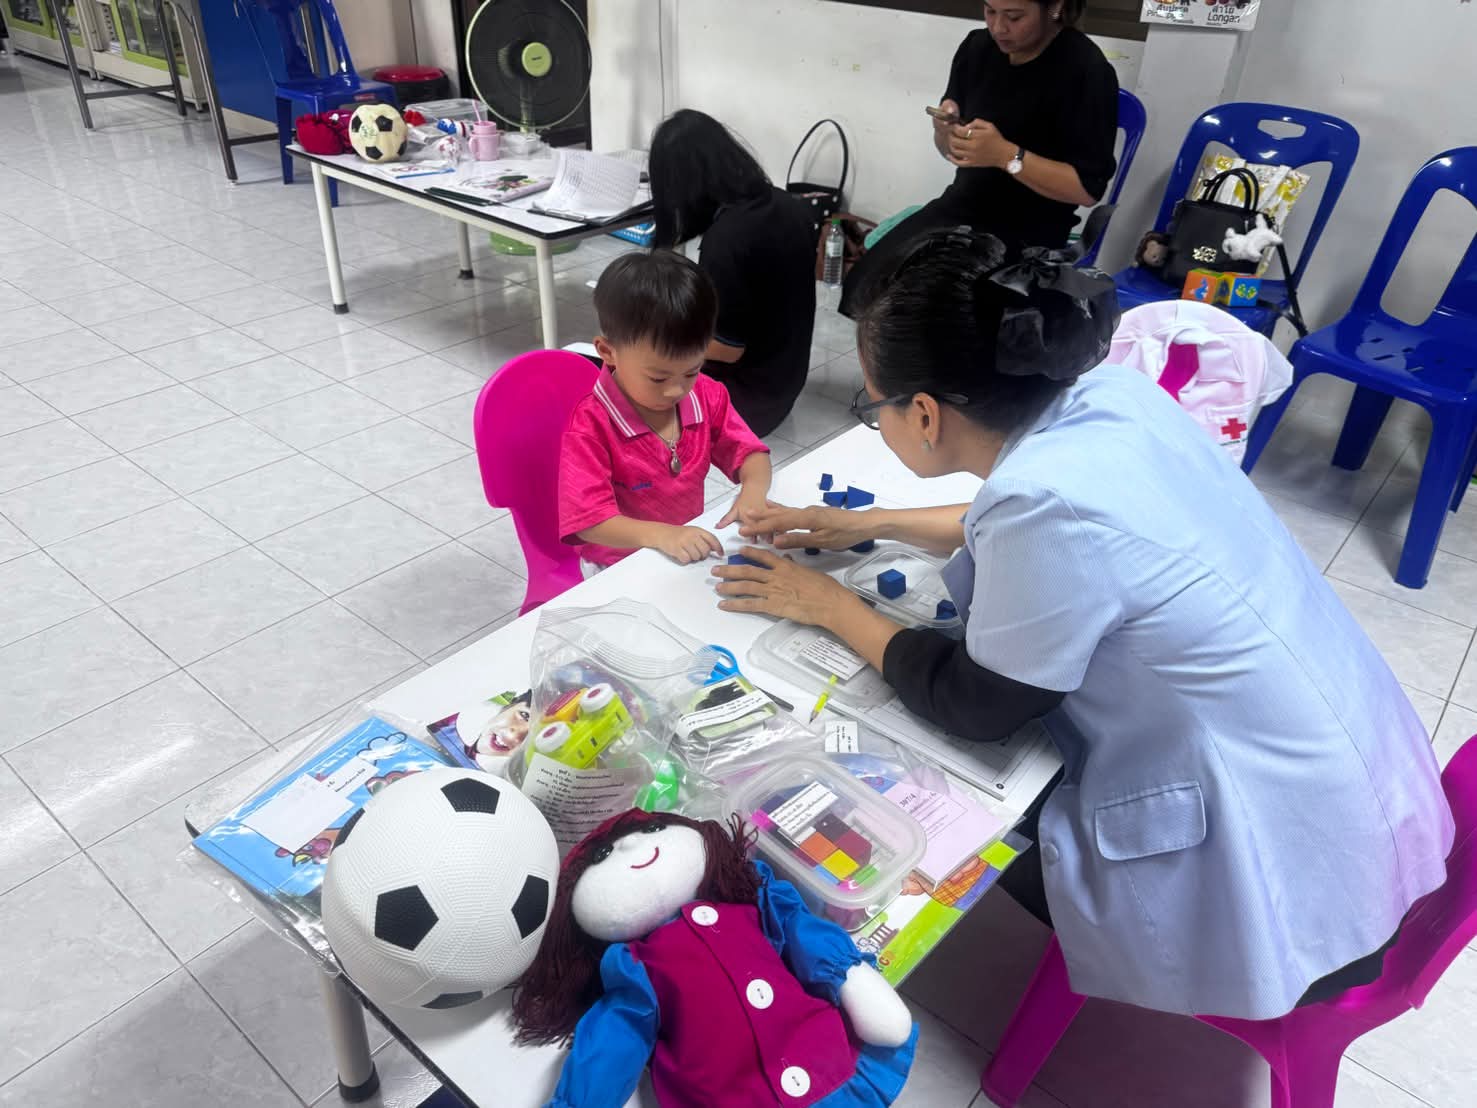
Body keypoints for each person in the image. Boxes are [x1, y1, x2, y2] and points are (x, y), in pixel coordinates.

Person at [712, 228, 1455, 1021]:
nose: (877, 420)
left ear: (923, 413)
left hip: (1289, 898)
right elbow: (1063, 519)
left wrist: (828, 605)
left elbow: (976, 702)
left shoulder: (1044, 503)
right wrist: (876, 522)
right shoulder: (1114, 396)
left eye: (874, 405)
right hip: (1370, 808)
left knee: (927, 798)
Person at [839, 0, 1119, 318]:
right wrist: (945, 132)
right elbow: (951, 152)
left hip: (1029, 231)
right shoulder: (977, 48)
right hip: (960, 208)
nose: (998, 27)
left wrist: (1007, 156)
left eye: (1014, 17)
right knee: (866, 285)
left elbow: (1086, 189)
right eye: (990, 11)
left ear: (1054, 8)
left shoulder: (1086, 70)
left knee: (945, 311)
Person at [559, 251, 773, 571]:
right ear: (608, 351)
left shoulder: (706, 395)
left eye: (691, 371)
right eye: (658, 378)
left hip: (680, 550)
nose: (676, 390)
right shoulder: (591, 426)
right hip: (616, 566)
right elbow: (589, 521)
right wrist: (662, 535)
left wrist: (753, 492)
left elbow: (752, 454)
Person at [649, 109, 818, 437]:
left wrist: (658, 340)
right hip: (783, 387)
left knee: (634, 368)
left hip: (744, 407)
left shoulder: (726, 241)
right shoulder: (788, 204)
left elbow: (727, 349)